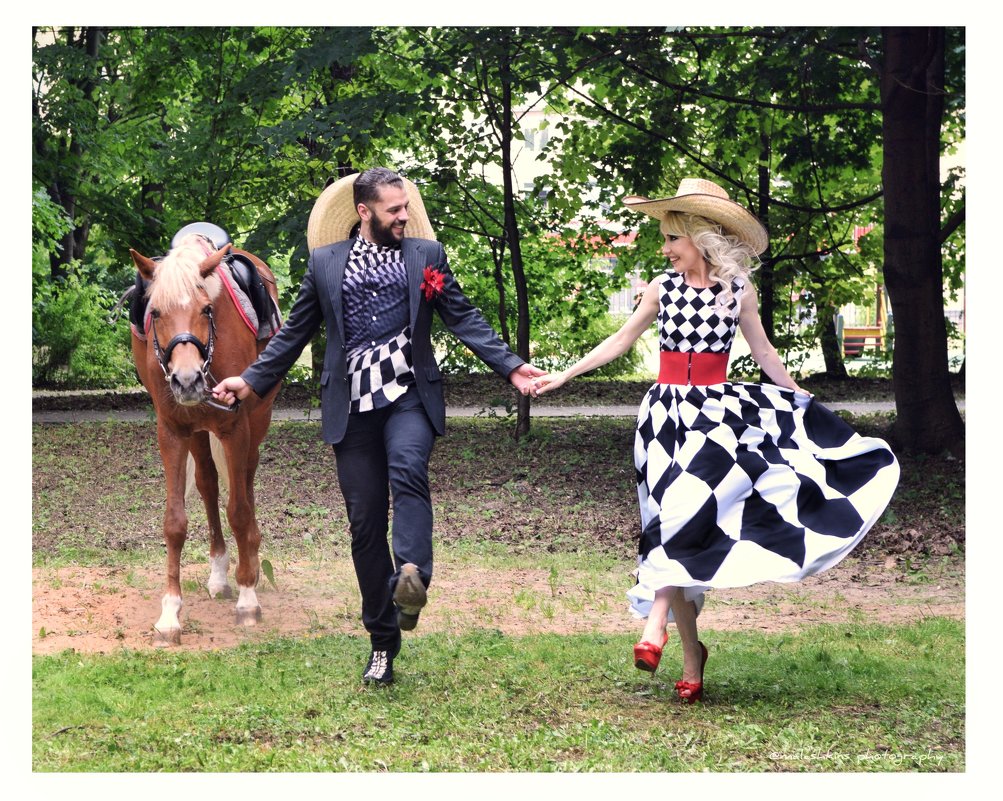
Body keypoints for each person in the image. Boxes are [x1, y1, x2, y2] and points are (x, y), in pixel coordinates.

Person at [530, 178, 899, 703]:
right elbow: (621, 340)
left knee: (682, 513)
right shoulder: (662, 288)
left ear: (697, 237)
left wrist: (801, 397)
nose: (665, 249)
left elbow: (766, 355)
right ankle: (691, 656)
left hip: (714, 416)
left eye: (671, 239)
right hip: (661, 416)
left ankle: (653, 624)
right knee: (669, 526)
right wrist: (564, 376)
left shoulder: (737, 292)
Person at [213, 167, 544, 685]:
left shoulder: (425, 257)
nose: (404, 217)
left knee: (409, 469)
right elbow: (293, 334)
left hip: (410, 396)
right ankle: (382, 643)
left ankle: (412, 574)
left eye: (406, 207)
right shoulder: (325, 264)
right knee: (365, 524)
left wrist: (510, 365)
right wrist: (249, 382)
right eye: (393, 210)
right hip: (353, 406)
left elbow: (463, 315)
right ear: (364, 212)